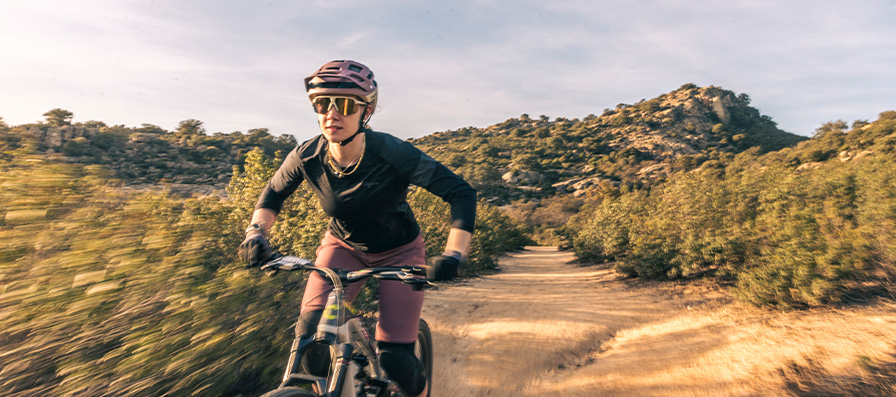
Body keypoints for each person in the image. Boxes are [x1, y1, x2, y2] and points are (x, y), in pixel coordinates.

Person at [238, 60, 476, 397]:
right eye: (322, 103)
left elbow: (461, 193)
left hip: (400, 252)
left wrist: (454, 253)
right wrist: (255, 234)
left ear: (365, 112)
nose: (332, 113)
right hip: (343, 248)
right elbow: (273, 194)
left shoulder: (393, 153)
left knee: (396, 360)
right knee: (313, 344)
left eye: (346, 104)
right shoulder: (307, 156)